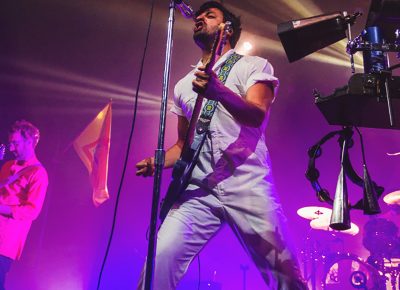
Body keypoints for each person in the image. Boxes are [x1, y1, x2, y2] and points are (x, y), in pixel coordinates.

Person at [136, 1, 306, 289]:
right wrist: (158, 161)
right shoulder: (182, 85)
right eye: (198, 15)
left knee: (285, 276)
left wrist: (220, 92)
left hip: (246, 184)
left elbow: (256, 115)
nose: (200, 18)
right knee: (158, 265)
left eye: (210, 15)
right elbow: (183, 145)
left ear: (227, 29)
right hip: (199, 191)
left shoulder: (254, 65)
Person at [0, 120, 48, 290]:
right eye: (10, 143)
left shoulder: (38, 173)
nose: (11, 148)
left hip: (4, 243)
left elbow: (32, 211)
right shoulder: (7, 166)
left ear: (30, 142)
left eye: (15, 143)